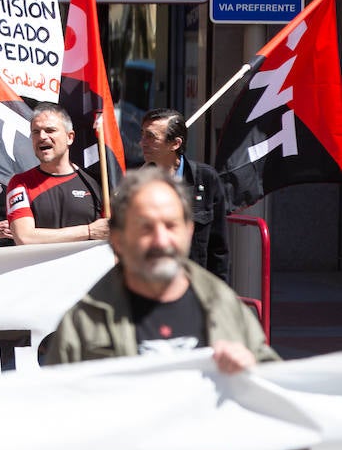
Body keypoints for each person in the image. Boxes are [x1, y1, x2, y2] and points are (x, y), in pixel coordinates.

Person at [44, 165, 277, 370]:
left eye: (170, 225)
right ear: (117, 238)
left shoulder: (224, 305)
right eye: (145, 228)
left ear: (188, 231)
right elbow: (57, 408)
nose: (161, 240)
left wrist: (252, 368)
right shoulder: (84, 323)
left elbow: (278, 392)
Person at [140, 108, 231, 283]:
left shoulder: (206, 179)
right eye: (142, 134)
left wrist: (218, 295)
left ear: (175, 144)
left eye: (150, 137)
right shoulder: (137, 182)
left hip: (193, 287)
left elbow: (218, 248)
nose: (142, 142)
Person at [5, 103, 109, 245]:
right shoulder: (20, 184)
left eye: (50, 130)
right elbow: (25, 237)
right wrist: (88, 231)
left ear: (70, 137)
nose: (42, 137)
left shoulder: (96, 182)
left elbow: (112, 232)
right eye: (35, 131)